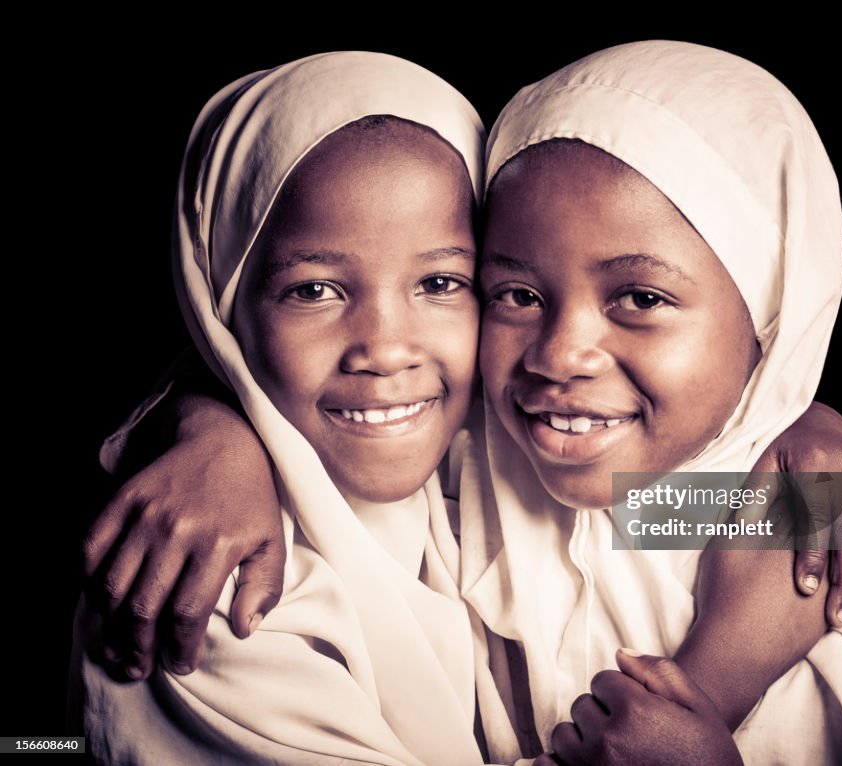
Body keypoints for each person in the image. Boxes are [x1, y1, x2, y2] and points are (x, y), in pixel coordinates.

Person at [461, 40, 842, 764]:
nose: (560, 355)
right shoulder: (443, 503)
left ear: (772, 319)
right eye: (518, 295)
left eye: (641, 298)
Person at [71, 50, 517, 765]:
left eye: (438, 281)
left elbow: (713, 519)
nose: (384, 348)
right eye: (313, 291)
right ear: (219, 308)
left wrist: (770, 478)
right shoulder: (214, 586)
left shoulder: (492, 467)